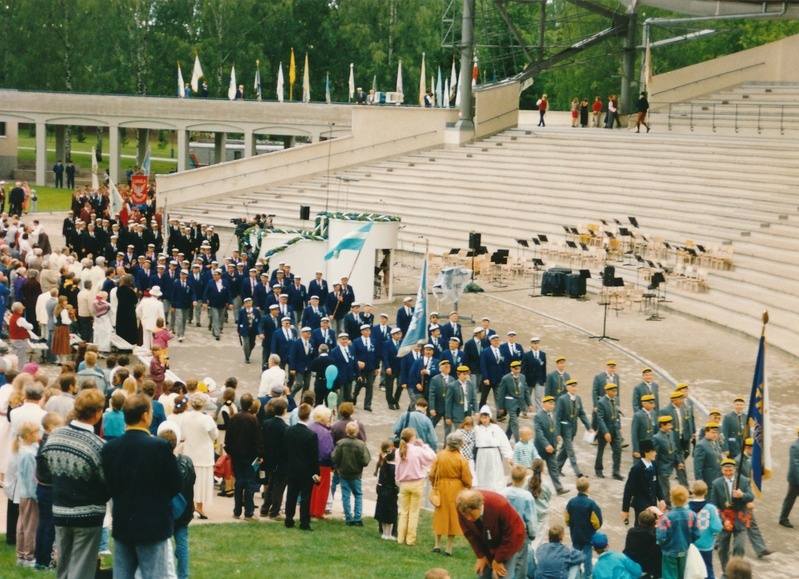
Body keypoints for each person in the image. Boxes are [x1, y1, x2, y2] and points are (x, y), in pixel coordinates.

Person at [101, 393, 181, 578]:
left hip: (123, 522)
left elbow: (108, 485)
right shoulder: (159, 447)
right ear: (145, 415)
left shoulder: (111, 448)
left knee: (122, 574)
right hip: (153, 524)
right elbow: (175, 484)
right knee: (154, 574)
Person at [457, 489, 526, 579]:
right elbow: (470, 534)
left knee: (500, 575)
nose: (468, 518)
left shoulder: (500, 505)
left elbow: (510, 536)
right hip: (487, 539)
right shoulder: (462, 507)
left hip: (509, 542)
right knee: (482, 574)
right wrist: (481, 555)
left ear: (480, 506)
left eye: (471, 514)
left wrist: (498, 559)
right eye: (465, 515)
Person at [157, 427, 195, 579]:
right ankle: (183, 575)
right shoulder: (186, 461)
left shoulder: (160, 464)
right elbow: (192, 481)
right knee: (182, 543)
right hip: (183, 509)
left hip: (166, 510)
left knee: (162, 545)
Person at [430, 433, 472, 556]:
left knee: (440, 514)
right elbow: (467, 478)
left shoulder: (440, 455)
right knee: (453, 516)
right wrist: (468, 487)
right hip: (456, 489)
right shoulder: (461, 459)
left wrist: (434, 484)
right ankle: (448, 548)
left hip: (441, 486)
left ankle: (437, 544)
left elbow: (432, 473)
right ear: (459, 445)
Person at [709, 457, 754, 572]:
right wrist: (724, 520)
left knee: (739, 547)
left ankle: (736, 571)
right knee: (722, 549)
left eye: (730, 470)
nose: (728, 473)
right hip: (725, 520)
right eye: (726, 470)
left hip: (740, 519)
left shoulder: (743, 480)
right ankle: (726, 571)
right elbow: (714, 506)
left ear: (735, 470)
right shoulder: (716, 483)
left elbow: (751, 496)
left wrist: (742, 495)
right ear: (722, 470)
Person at [225, 393, 264, 520]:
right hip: (250, 456)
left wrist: (229, 451)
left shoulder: (234, 418)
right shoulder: (253, 420)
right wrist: (260, 454)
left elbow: (228, 437)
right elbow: (257, 440)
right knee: (249, 483)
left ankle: (237, 511)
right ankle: (248, 512)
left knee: (239, 482)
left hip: (236, 455)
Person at [395, 426, 436, 546]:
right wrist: (424, 445)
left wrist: (397, 479)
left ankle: (400, 537)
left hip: (404, 483)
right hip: (417, 483)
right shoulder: (417, 450)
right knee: (413, 512)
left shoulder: (398, 451)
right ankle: (410, 539)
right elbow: (432, 456)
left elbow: (397, 469)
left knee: (404, 512)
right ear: (412, 438)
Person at [181, 393, 218, 519]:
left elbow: (182, 434)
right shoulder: (207, 419)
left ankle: (191, 505)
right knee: (201, 482)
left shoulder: (185, 417)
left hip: (190, 452)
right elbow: (215, 435)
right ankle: (199, 507)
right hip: (204, 454)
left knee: (191, 481)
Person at [283, 403, 320, 531]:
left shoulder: (289, 430)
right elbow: (314, 457)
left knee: (291, 494)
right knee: (305, 497)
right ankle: (304, 522)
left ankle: (289, 519)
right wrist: (316, 473)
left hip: (292, 468)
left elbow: (285, 450)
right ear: (308, 416)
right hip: (306, 470)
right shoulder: (311, 435)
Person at [332, 420, 371, 527]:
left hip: (343, 473)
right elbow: (366, 460)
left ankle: (348, 518)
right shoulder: (361, 444)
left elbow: (334, 457)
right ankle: (358, 518)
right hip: (356, 474)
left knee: (346, 495)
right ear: (357, 431)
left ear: (346, 431)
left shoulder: (340, 443)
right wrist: (359, 465)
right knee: (358, 494)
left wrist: (339, 465)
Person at [655, 485, 700, 579]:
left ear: (671, 498)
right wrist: (689, 541)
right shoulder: (692, 515)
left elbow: (661, 537)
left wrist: (663, 545)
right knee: (682, 575)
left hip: (669, 552)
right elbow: (697, 534)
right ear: (686, 499)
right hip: (684, 550)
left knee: (669, 576)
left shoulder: (666, 517)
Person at [501, 465, 537, 579]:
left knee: (506, 560)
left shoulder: (503, 493)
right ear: (523, 479)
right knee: (520, 563)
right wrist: (532, 533)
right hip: (520, 533)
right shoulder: (527, 496)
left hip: (505, 531)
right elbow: (530, 518)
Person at [14, 421, 40, 568]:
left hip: (24, 494)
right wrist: (36, 496)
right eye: (36, 432)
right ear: (29, 435)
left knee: (23, 524)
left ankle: (22, 554)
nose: (39, 435)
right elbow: (31, 478)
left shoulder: (25, 449)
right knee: (30, 526)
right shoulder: (28, 454)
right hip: (30, 494)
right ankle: (29, 556)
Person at [565, 477, 602, 578]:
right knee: (587, 559)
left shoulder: (571, 502)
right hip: (587, 536)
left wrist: (571, 525)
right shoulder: (591, 503)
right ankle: (587, 576)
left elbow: (567, 518)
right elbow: (597, 522)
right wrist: (594, 529)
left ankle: (574, 574)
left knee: (574, 557)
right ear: (588, 488)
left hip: (575, 534)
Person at [622, 439, 666, 526]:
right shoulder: (636, 469)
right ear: (646, 452)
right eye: (653, 451)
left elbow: (657, 484)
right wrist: (625, 510)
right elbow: (628, 490)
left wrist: (661, 498)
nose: (655, 453)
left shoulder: (654, 465)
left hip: (652, 504)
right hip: (641, 507)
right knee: (641, 527)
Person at [555, 378, 593, 478]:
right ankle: (578, 473)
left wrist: (588, 427)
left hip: (573, 428)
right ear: (567, 388)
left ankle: (556, 467)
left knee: (565, 449)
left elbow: (582, 413)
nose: (574, 388)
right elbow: (557, 416)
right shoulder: (562, 399)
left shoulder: (578, 399)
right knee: (570, 450)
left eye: (575, 386)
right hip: (565, 428)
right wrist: (557, 433)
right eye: (572, 386)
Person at [473, 405, 513, 492]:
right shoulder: (476, 429)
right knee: (482, 474)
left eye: (486, 417)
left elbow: (503, 442)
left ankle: (496, 491)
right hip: (482, 454)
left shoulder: (495, 428)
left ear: (489, 417)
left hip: (493, 454)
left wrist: (509, 456)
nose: (484, 420)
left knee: (495, 474)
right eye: (482, 418)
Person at [534, 396, 568, 495]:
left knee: (553, 468)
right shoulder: (539, 416)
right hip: (541, 448)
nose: (552, 406)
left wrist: (557, 435)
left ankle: (558, 488)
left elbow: (554, 427)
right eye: (550, 403)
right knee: (537, 470)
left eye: (553, 404)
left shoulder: (553, 414)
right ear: (544, 404)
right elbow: (539, 433)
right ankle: (535, 488)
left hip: (552, 447)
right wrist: (546, 445)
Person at [688, 480, 722, 579]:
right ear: (706, 492)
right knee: (707, 570)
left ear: (692, 491)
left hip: (690, 545)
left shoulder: (686, 507)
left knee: (690, 571)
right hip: (706, 545)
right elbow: (717, 527)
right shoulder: (711, 508)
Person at [308, 405, 335, 519]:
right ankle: (318, 511)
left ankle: (310, 509)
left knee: (312, 488)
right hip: (322, 465)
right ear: (324, 418)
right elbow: (327, 451)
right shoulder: (324, 432)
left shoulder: (309, 427)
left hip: (309, 463)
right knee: (322, 488)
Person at [496, 360, 531, 442]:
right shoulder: (505, 378)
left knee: (511, 423)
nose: (517, 371)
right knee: (515, 423)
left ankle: (505, 439)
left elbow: (526, 391)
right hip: (510, 403)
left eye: (519, 369)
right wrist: (500, 407)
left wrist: (529, 404)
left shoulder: (522, 377)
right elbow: (501, 394)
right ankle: (518, 442)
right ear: (511, 369)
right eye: (515, 369)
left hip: (520, 403)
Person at [595, 383, 623, 480]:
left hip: (615, 430)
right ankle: (598, 470)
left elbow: (617, 414)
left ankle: (616, 472)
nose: (614, 393)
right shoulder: (601, 402)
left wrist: (619, 427)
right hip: (604, 431)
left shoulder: (616, 400)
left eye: (615, 391)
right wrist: (606, 432)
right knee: (600, 451)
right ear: (607, 391)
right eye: (612, 391)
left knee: (618, 450)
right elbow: (600, 418)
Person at [623, 510, 662, 579]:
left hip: (631, 563)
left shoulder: (631, 532)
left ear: (638, 521)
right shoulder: (653, 535)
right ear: (653, 523)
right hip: (647, 568)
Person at [374, 439, 399, 540]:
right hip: (391, 492)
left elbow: (378, 479)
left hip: (382, 490)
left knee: (383, 512)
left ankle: (384, 533)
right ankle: (389, 534)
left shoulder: (381, 465)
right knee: (391, 513)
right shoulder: (395, 468)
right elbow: (397, 481)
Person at [779, 425, 799, 528]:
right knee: (790, 499)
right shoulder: (795, 446)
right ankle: (783, 518)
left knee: (790, 499)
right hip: (795, 480)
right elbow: (795, 465)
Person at [520, 336, 546, 412]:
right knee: (527, 396)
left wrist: (544, 379)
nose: (536, 345)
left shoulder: (542, 355)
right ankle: (524, 411)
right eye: (534, 343)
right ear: (531, 344)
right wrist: (523, 379)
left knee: (538, 397)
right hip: (529, 379)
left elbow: (544, 367)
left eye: (537, 343)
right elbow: (523, 368)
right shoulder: (527, 355)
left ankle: (538, 412)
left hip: (539, 379)